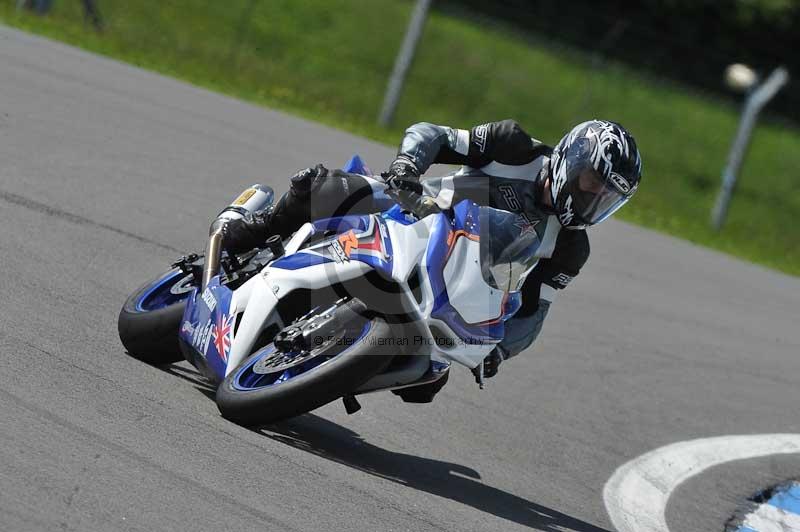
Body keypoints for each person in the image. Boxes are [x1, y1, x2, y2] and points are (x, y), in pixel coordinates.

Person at [222, 119, 642, 399]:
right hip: (409, 211)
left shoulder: (570, 248)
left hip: (455, 287)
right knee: (323, 187)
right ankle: (256, 227)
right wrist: (407, 165)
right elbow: (433, 134)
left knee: (424, 383)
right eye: (592, 183)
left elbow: (532, 313)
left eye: (608, 198)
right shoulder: (515, 147)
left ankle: (325, 368)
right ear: (572, 157)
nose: (593, 199)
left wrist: (499, 351)